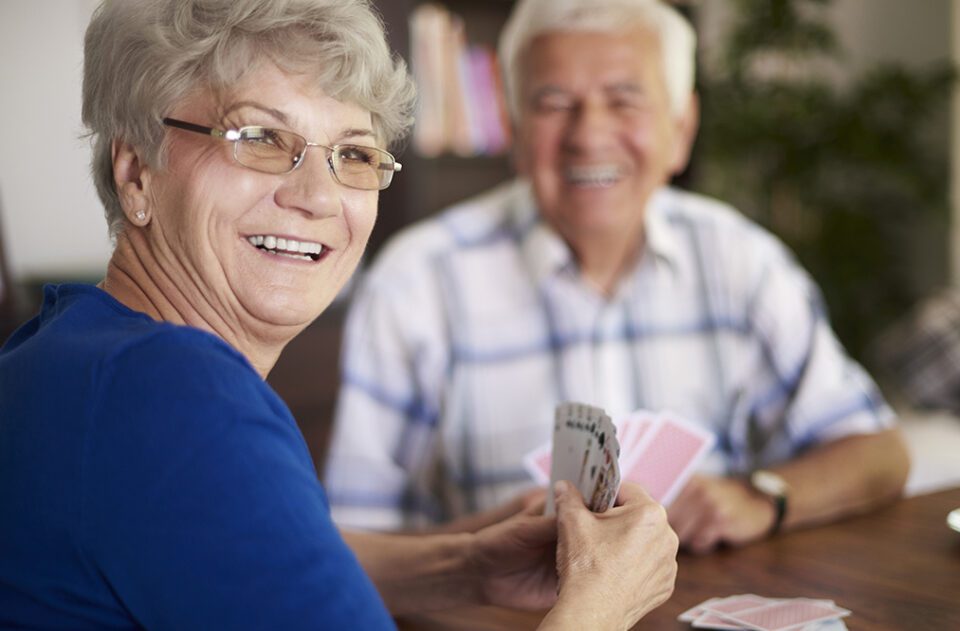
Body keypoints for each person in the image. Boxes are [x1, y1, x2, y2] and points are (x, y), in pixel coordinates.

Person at [0, 0, 680, 628]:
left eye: (353, 154)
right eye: (260, 136)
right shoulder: (175, 393)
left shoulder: (78, 351)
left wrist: (460, 566)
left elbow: (225, 557)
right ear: (136, 171)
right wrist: (602, 597)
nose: (317, 196)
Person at [325, 0, 911, 552]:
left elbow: (880, 453)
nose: (589, 135)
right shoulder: (415, 282)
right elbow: (348, 547)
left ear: (681, 130)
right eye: (554, 103)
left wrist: (762, 497)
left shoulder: (742, 260)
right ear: (516, 131)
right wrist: (484, 547)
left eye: (625, 100)